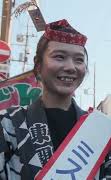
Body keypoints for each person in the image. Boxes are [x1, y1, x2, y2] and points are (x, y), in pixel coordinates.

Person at [0, 19, 105, 179]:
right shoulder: (8, 123)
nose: (71, 67)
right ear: (38, 65)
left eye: (79, 60)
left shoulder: (99, 130)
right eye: (59, 57)